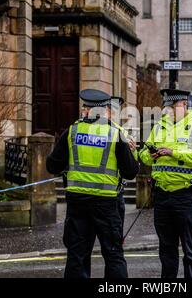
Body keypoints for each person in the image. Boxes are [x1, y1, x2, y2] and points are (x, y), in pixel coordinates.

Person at [46, 89, 139, 278]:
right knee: (113, 255)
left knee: (77, 255)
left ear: (86, 110)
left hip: (77, 203)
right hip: (107, 204)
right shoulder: (116, 134)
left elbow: (52, 165)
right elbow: (130, 172)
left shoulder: (72, 131)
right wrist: (132, 153)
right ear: (104, 111)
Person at [139, 88, 192, 278]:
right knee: (166, 251)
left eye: (172, 108)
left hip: (187, 196)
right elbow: (143, 156)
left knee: (190, 250)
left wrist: (173, 153)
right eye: (167, 108)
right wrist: (148, 154)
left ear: (183, 105)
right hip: (162, 196)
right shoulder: (158, 126)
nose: (168, 111)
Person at [110, 96, 138, 234]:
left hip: (116, 191)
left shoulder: (124, 132)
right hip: (105, 192)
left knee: (116, 235)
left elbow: (132, 166)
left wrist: (132, 152)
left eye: (117, 109)